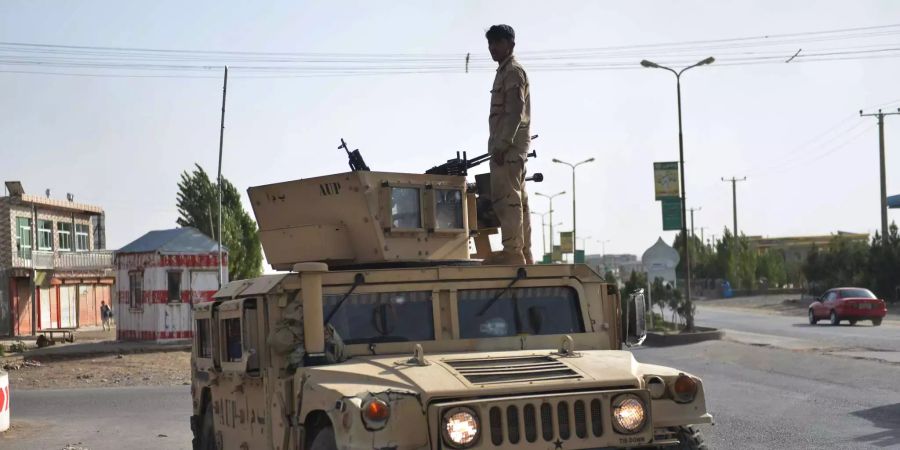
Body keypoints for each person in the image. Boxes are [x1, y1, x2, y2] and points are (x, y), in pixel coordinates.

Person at [483, 24, 533, 265]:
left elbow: (515, 111)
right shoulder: (505, 71)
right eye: (490, 44)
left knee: (507, 199)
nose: (493, 48)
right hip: (511, 146)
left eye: (497, 43)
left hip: (508, 148)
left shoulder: (512, 71)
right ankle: (524, 252)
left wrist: (502, 145)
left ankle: (513, 253)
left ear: (510, 44)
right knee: (519, 200)